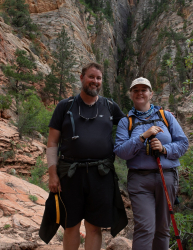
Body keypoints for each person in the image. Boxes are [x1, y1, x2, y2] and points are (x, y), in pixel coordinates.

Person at [39, 62, 128, 250]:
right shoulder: (65, 106)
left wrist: (159, 117)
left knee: (94, 227)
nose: (95, 81)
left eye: (99, 78)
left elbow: (131, 124)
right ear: (81, 78)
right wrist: (53, 175)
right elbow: (52, 143)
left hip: (101, 175)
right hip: (70, 175)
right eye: (91, 77)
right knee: (71, 225)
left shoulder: (110, 106)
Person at [114, 77, 189, 250]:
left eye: (144, 89)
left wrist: (164, 149)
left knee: (163, 228)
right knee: (145, 228)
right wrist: (142, 137)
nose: (140, 93)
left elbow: (183, 143)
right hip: (139, 180)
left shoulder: (166, 116)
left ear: (151, 93)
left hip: (167, 176)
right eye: (136, 90)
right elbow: (120, 151)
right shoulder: (127, 122)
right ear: (131, 94)